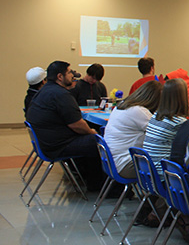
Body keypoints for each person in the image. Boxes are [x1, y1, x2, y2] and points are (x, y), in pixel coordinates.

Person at [25, 61, 103, 191]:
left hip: (46, 142)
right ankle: (97, 185)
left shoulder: (44, 91)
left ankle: (86, 177)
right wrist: (92, 132)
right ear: (60, 77)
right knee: (98, 141)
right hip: (57, 145)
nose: (73, 75)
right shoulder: (60, 94)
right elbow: (77, 125)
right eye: (69, 72)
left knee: (91, 138)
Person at [104, 80, 163, 178]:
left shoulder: (123, 105)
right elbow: (161, 133)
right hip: (125, 165)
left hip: (112, 162)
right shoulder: (139, 111)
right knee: (166, 167)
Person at [143, 78, 189, 178]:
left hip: (149, 173)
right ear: (183, 97)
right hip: (165, 177)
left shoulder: (156, 116)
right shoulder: (178, 123)